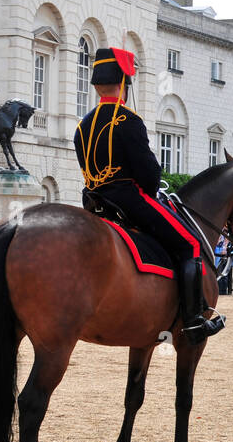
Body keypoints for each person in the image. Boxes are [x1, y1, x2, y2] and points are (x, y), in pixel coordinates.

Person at [75, 46, 223, 342]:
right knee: (192, 243)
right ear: (124, 87)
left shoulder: (83, 125)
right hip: (129, 200)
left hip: (94, 202)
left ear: (97, 86)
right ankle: (193, 320)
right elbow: (149, 175)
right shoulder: (128, 121)